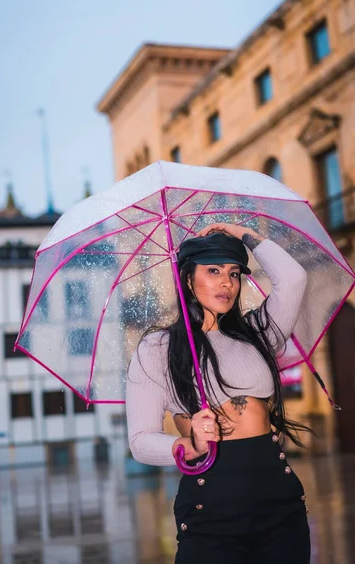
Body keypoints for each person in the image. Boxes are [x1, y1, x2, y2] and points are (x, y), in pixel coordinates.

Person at [126, 222, 311, 564]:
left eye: (234, 273)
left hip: (278, 499)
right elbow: (140, 441)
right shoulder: (158, 347)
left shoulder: (258, 333)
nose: (227, 282)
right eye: (213, 271)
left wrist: (240, 233)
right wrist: (188, 445)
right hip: (211, 505)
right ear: (187, 279)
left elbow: (294, 278)